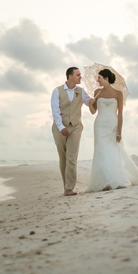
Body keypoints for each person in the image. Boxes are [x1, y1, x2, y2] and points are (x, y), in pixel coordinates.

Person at [87, 68, 138, 192]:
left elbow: (120, 114)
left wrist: (119, 131)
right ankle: (104, 181)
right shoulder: (97, 92)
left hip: (112, 124)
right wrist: (90, 103)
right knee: (101, 152)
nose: (97, 80)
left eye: (99, 78)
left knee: (113, 151)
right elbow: (93, 111)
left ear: (106, 79)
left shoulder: (118, 93)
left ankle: (116, 179)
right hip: (99, 125)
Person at [51, 66, 91, 196]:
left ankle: (69, 188)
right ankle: (65, 186)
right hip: (59, 127)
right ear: (70, 76)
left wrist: (97, 97)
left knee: (71, 158)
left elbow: (89, 102)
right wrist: (61, 127)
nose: (81, 77)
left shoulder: (81, 91)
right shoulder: (57, 91)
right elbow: (55, 112)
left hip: (75, 126)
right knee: (63, 157)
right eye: (78, 75)